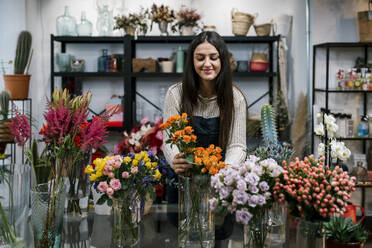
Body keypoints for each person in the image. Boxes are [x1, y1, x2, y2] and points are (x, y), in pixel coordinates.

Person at [163, 31, 248, 240]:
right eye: (200, 58)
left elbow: (237, 145)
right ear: (191, 61)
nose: (207, 63)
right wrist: (176, 159)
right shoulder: (176, 94)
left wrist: (223, 174)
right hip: (184, 183)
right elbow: (169, 137)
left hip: (218, 185)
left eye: (213, 57)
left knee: (216, 234)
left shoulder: (235, 98)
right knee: (185, 234)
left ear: (222, 61)